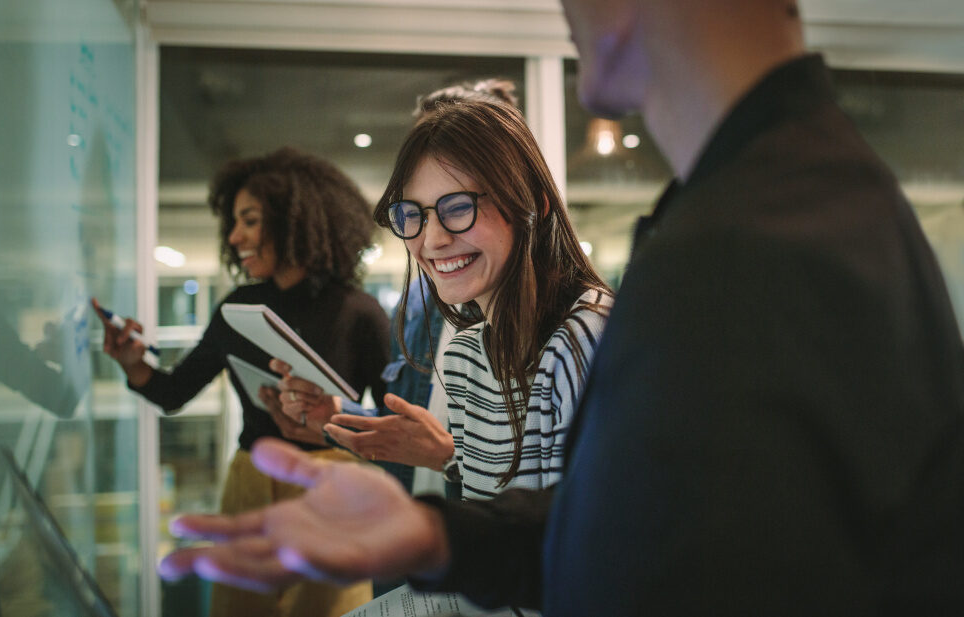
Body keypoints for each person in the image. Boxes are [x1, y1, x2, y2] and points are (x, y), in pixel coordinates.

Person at [158, 0, 964, 614]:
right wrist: (436, 527)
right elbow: (626, 527)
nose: (570, 18)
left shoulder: (753, 244)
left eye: (459, 208)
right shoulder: (790, 202)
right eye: (413, 216)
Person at [97, 146, 388, 617]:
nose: (234, 237)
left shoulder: (359, 313)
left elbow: (393, 424)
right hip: (249, 485)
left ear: (294, 220)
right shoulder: (236, 309)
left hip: (331, 489)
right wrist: (133, 363)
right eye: (234, 223)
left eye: (249, 221)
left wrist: (338, 421)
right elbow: (174, 392)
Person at [277, 78, 524, 503]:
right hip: (415, 552)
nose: (435, 237)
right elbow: (413, 438)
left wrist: (449, 459)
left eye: (458, 200)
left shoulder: (560, 332)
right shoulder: (419, 306)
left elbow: (550, 499)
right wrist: (336, 414)